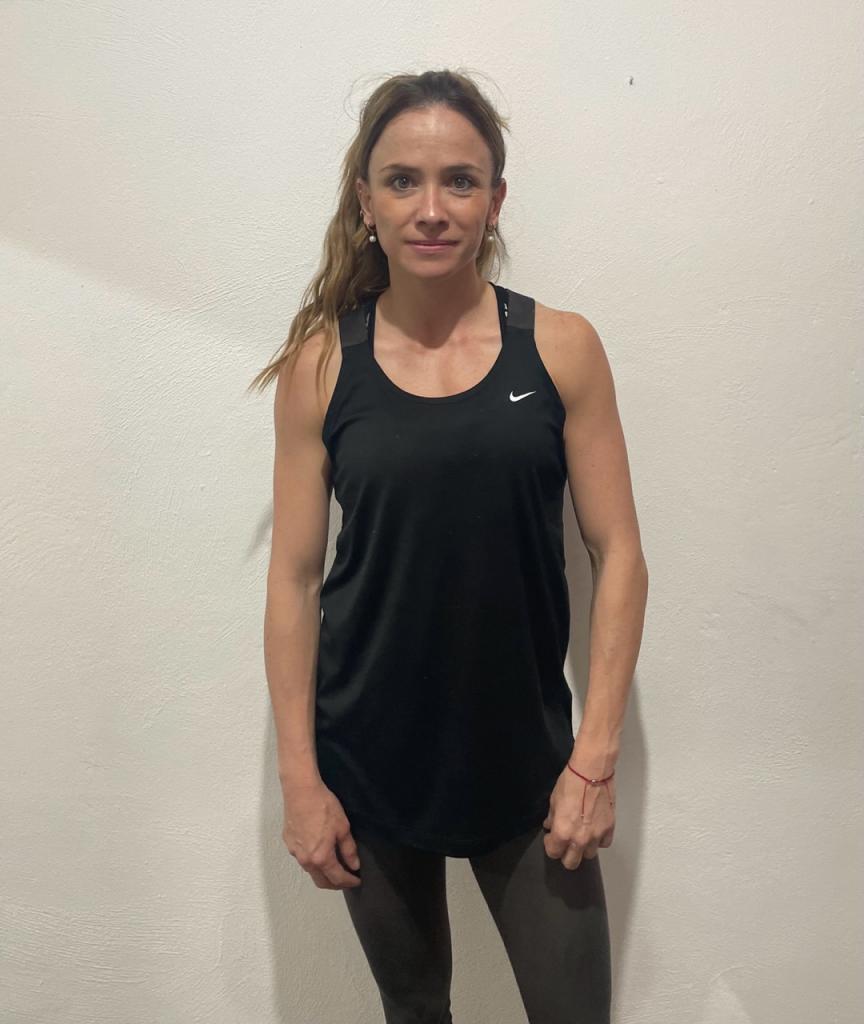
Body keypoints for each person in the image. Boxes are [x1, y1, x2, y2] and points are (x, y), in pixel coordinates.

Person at [250, 68, 648, 1024]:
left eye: (459, 181)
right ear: (366, 201)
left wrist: (595, 758)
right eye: (403, 180)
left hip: (528, 764)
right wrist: (301, 780)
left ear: (495, 199)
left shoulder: (561, 348)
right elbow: (295, 580)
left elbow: (620, 555)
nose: (431, 209)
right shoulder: (322, 365)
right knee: (416, 1009)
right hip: (368, 761)